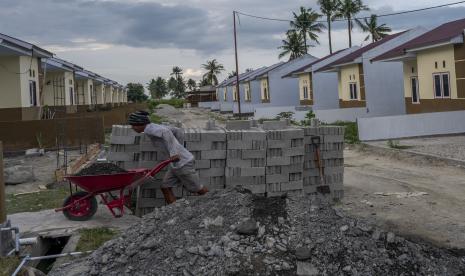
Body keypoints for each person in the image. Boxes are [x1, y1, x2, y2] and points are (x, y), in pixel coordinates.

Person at [128, 111, 208, 204]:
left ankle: (213, 203)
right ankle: (173, 210)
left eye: (133, 125)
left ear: (139, 123)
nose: (132, 128)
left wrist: (174, 152)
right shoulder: (152, 127)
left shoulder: (150, 129)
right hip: (175, 165)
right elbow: (177, 131)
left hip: (183, 164)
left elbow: (167, 132)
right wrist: (179, 148)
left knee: (197, 189)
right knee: (165, 187)